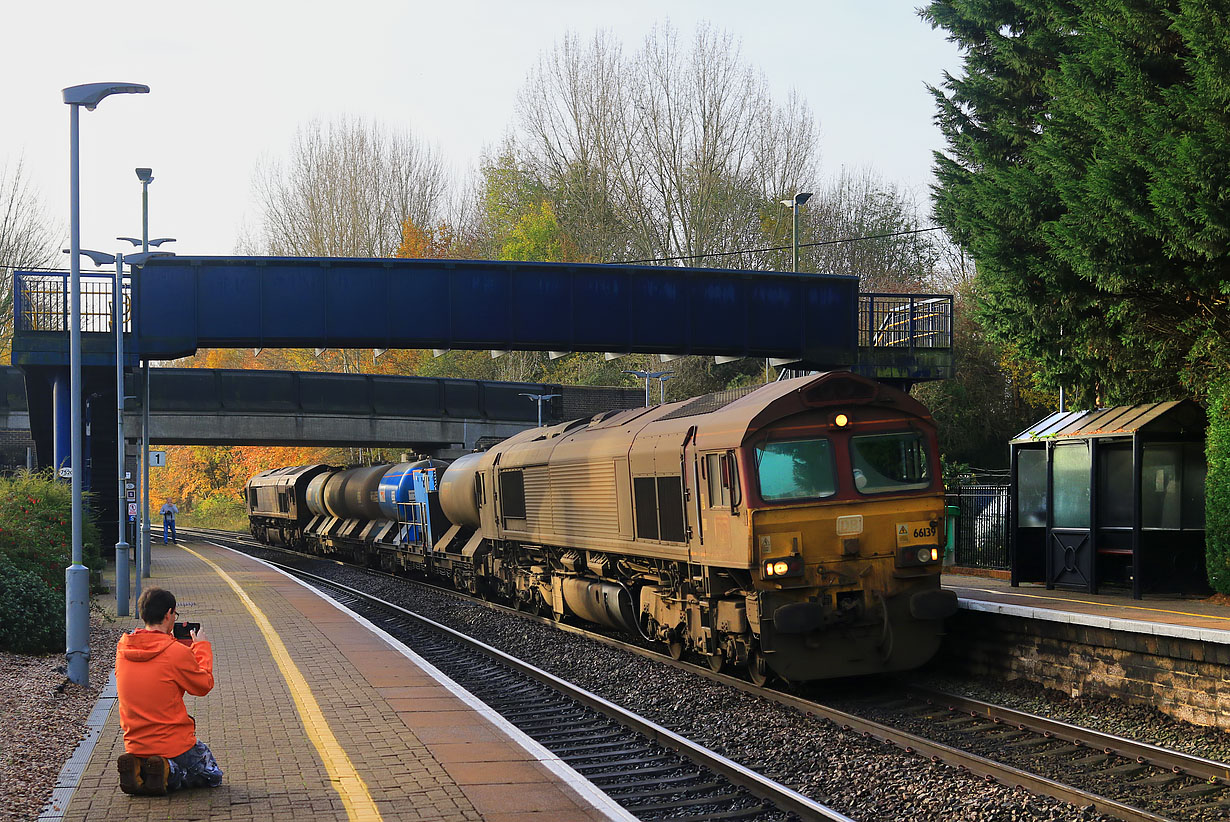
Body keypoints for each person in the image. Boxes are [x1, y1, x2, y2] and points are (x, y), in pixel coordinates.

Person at [115, 587, 222, 796]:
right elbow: (203, 685)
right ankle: (167, 771)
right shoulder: (175, 653)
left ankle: (141, 767)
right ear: (168, 615)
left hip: (135, 741)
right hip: (173, 743)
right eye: (175, 615)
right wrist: (201, 648)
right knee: (212, 775)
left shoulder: (123, 649)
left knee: (153, 757)